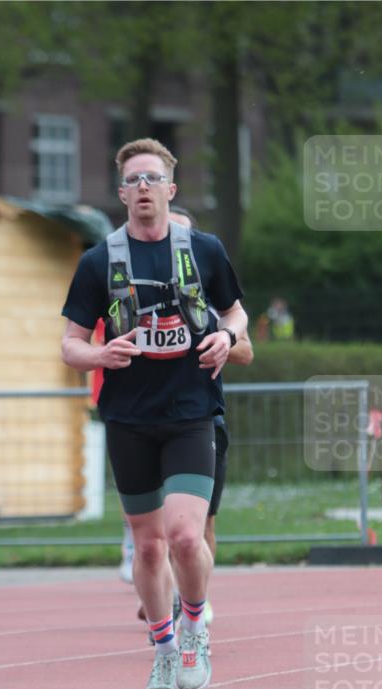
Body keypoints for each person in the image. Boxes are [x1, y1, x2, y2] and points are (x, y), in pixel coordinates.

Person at [61, 138, 248, 689]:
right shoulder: (99, 262)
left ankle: (195, 628)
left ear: (171, 188)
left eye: (152, 179)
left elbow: (236, 312)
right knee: (147, 549)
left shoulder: (206, 250)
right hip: (130, 418)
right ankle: (164, 652)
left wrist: (227, 334)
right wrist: (98, 355)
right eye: (133, 181)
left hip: (192, 412)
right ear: (121, 194)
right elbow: (70, 343)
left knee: (186, 537)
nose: (143, 188)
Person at [133, 206, 253, 630]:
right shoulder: (134, 291)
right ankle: (161, 598)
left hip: (201, 421)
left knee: (198, 528)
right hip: (145, 421)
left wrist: (212, 338)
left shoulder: (209, 294)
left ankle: (193, 605)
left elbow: (245, 350)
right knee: (156, 531)